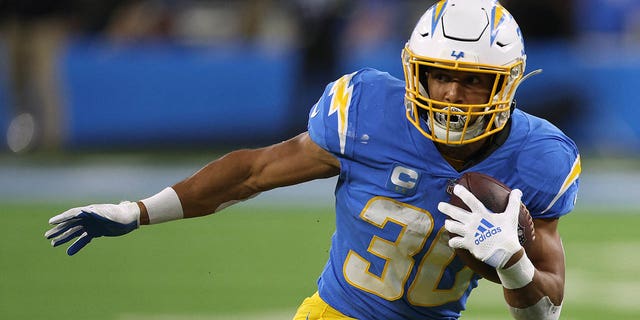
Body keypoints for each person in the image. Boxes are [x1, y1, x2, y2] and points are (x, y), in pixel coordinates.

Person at [44, 0, 580, 319]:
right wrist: (138, 211)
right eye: (440, 74)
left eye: (473, 81)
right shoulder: (368, 110)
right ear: (415, 70)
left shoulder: (537, 160)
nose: (452, 94)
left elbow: (544, 312)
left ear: (506, 84)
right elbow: (253, 172)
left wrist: (514, 264)